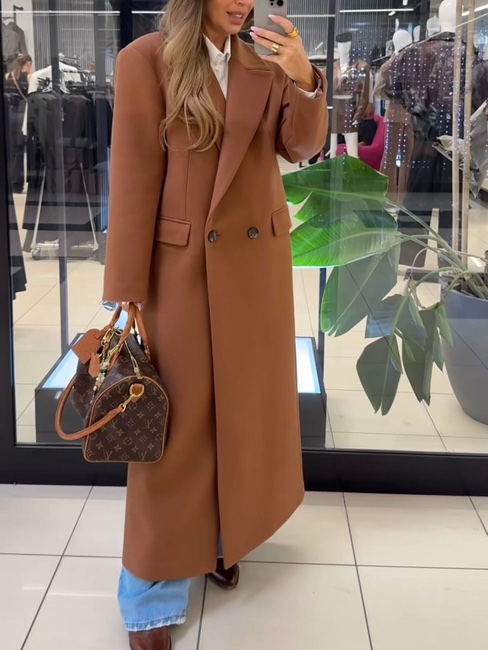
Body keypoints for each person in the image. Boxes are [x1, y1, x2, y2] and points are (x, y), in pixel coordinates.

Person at [102, 0, 328, 647]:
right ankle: (150, 589)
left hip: (254, 271)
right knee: (175, 431)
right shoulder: (146, 60)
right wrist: (127, 289)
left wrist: (305, 79)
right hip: (180, 273)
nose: (241, 1)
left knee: (244, 417)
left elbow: (302, 147)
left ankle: (223, 541)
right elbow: (135, 174)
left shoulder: (267, 58)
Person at [4, 53, 32, 193]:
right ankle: (17, 184)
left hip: (10, 115)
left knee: (12, 150)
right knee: (21, 150)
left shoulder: (7, 77)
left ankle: (11, 182)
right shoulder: (28, 78)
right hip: (22, 115)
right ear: (27, 64)